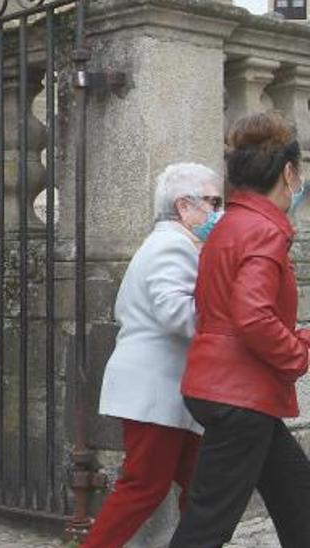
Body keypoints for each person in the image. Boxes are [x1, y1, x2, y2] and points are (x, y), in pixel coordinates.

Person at [168, 112, 310, 547]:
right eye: (298, 175)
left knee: (298, 499)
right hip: (240, 395)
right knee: (207, 526)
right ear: (288, 173)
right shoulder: (264, 231)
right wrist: (299, 352)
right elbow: (253, 317)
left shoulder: (231, 225)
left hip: (231, 391)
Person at [81, 163, 223, 547]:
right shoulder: (172, 245)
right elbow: (176, 313)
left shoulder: (172, 243)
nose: (218, 211)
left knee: (203, 485)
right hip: (155, 389)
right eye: (213, 201)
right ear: (184, 206)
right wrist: (228, 319)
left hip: (166, 392)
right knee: (144, 486)